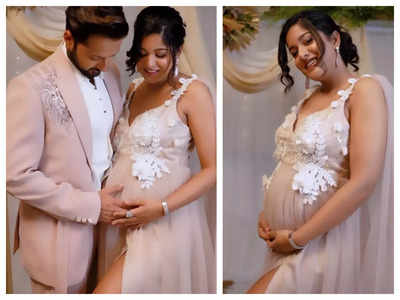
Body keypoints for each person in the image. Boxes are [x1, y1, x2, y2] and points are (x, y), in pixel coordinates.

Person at [248, 10, 393, 293]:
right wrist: (267, 214)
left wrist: (299, 238)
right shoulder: (307, 98)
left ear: (335, 38)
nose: (301, 54)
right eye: (293, 50)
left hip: (325, 244)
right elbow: (292, 164)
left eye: (308, 41)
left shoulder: (364, 91)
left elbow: (364, 181)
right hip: (286, 245)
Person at [94, 6, 216, 293]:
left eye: (160, 54)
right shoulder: (134, 89)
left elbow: (212, 169)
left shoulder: (193, 93)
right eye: (143, 52)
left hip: (164, 225)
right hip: (117, 226)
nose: (150, 63)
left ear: (178, 49)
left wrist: (160, 209)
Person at [6, 7, 129, 293]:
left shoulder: (110, 71)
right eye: (97, 56)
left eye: (111, 55)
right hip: (59, 240)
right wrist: (92, 206)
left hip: (108, 233)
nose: (104, 64)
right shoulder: (29, 87)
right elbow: (16, 175)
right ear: (69, 38)